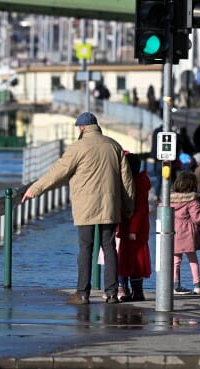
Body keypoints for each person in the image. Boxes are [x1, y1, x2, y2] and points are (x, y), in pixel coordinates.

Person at [22, 112, 135, 305]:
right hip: (110, 205)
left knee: (86, 249)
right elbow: (127, 181)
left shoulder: (77, 148)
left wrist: (35, 189)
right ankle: (112, 293)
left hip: (86, 207)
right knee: (109, 248)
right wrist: (128, 207)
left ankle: (83, 293)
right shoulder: (114, 146)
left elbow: (57, 172)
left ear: (81, 128)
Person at [116, 153, 151, 302]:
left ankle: (133, 292)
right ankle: (137, 292)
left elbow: (138, 210)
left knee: (130, 262)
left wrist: (132, 230)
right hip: (137, 230)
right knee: (136, 262)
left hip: (131, 231)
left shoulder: (133, 184)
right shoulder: (141, 182)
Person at [169, 172, 200, 295]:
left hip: (173, 233)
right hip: (188, 234)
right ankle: (197, 285)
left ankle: (175, 285)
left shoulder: (170, 198)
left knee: (175, 261)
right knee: (193, 259)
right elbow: (197, 219)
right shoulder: (192, 201)